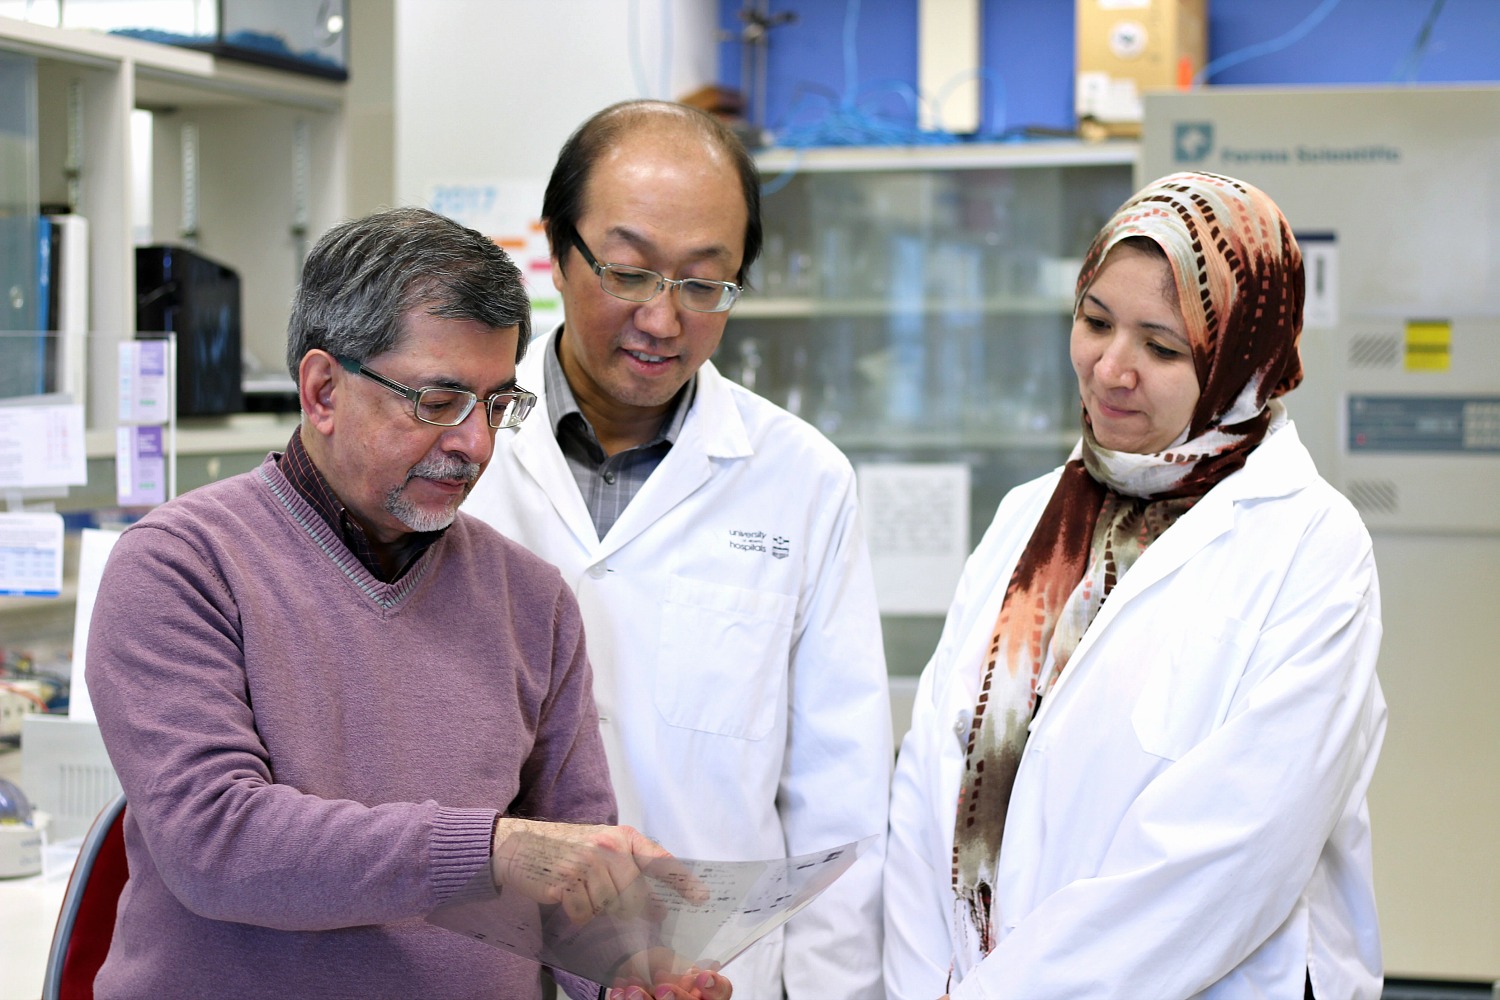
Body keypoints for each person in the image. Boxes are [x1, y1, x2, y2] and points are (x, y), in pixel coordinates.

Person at [85, 207, 730, 1000]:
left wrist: (625, 968)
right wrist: (489, 851)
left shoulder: (533, 602)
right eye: (439, 401)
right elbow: (215, 844)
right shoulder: (183, 565)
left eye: (496, 405)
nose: (477, 445)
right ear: (323, 390)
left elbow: (572, 874)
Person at [882, 172, 1387, 999]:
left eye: (1162, 347)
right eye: (1094, 322)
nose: (1112, 368)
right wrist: (921, 983)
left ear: (1241, 361)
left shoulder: (1311, 546)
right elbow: (928, 778)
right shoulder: (1029, 515)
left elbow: (1231, 855)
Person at [462, 99, 891, 998]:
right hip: (483, 970)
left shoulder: (802, 480)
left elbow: (839, 801)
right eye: (629, 273)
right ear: (555, 248)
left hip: (709, 978)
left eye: (705, 284)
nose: (663, 320)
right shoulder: (458, 447)